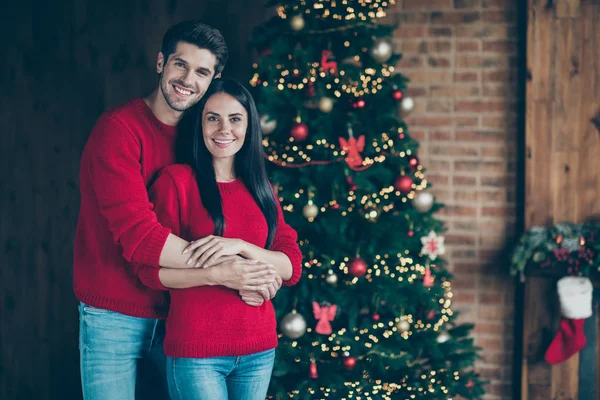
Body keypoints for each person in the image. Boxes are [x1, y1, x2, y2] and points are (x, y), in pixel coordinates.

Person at [74, 21, 281, 399]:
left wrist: (247, 264)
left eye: (201, 71)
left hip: (179, 315)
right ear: (160, 63)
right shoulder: (118, 130)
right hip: (115, 315)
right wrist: (228, 270)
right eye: (179, 64)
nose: (187, 79)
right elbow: (142, 237)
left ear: (214, 78)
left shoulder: (201, 137)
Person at [135, 79, 302, 400]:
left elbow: (291, 266)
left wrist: (239, 246)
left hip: (259, 350)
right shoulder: (177, 182)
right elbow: (148, 272)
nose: (224, 129)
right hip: (198, 353)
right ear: (199, 124)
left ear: (249, 125)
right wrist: (216, 274)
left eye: (235, 119)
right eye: (213, 118)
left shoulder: (261, 188)